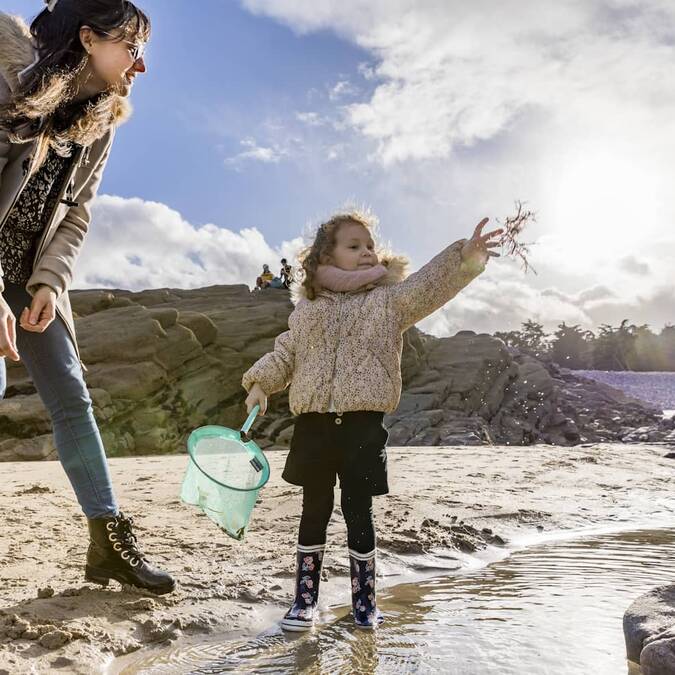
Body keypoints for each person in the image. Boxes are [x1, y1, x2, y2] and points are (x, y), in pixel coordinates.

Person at [242, 210, 501, 630]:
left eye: (370, 246)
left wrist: (465, 257)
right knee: (314, 509)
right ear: (327, 254)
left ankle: (364, 602)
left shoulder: (388, 300)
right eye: (354, 246)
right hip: (314, 424)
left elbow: (430, 286)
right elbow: (286, 353)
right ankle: (304, 601)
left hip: (363, 423)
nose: (366, 253)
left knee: (358, 509)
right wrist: (260, 383)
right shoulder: (307, 309)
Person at [0, 1, 174, 594]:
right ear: (87, 37)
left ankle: (109, 544)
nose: (141, 65)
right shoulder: (8, 77)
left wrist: (50, 279)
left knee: (72, 396)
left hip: (32, 278)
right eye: (132, 45)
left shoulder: (103, 119)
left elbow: (77, 212)